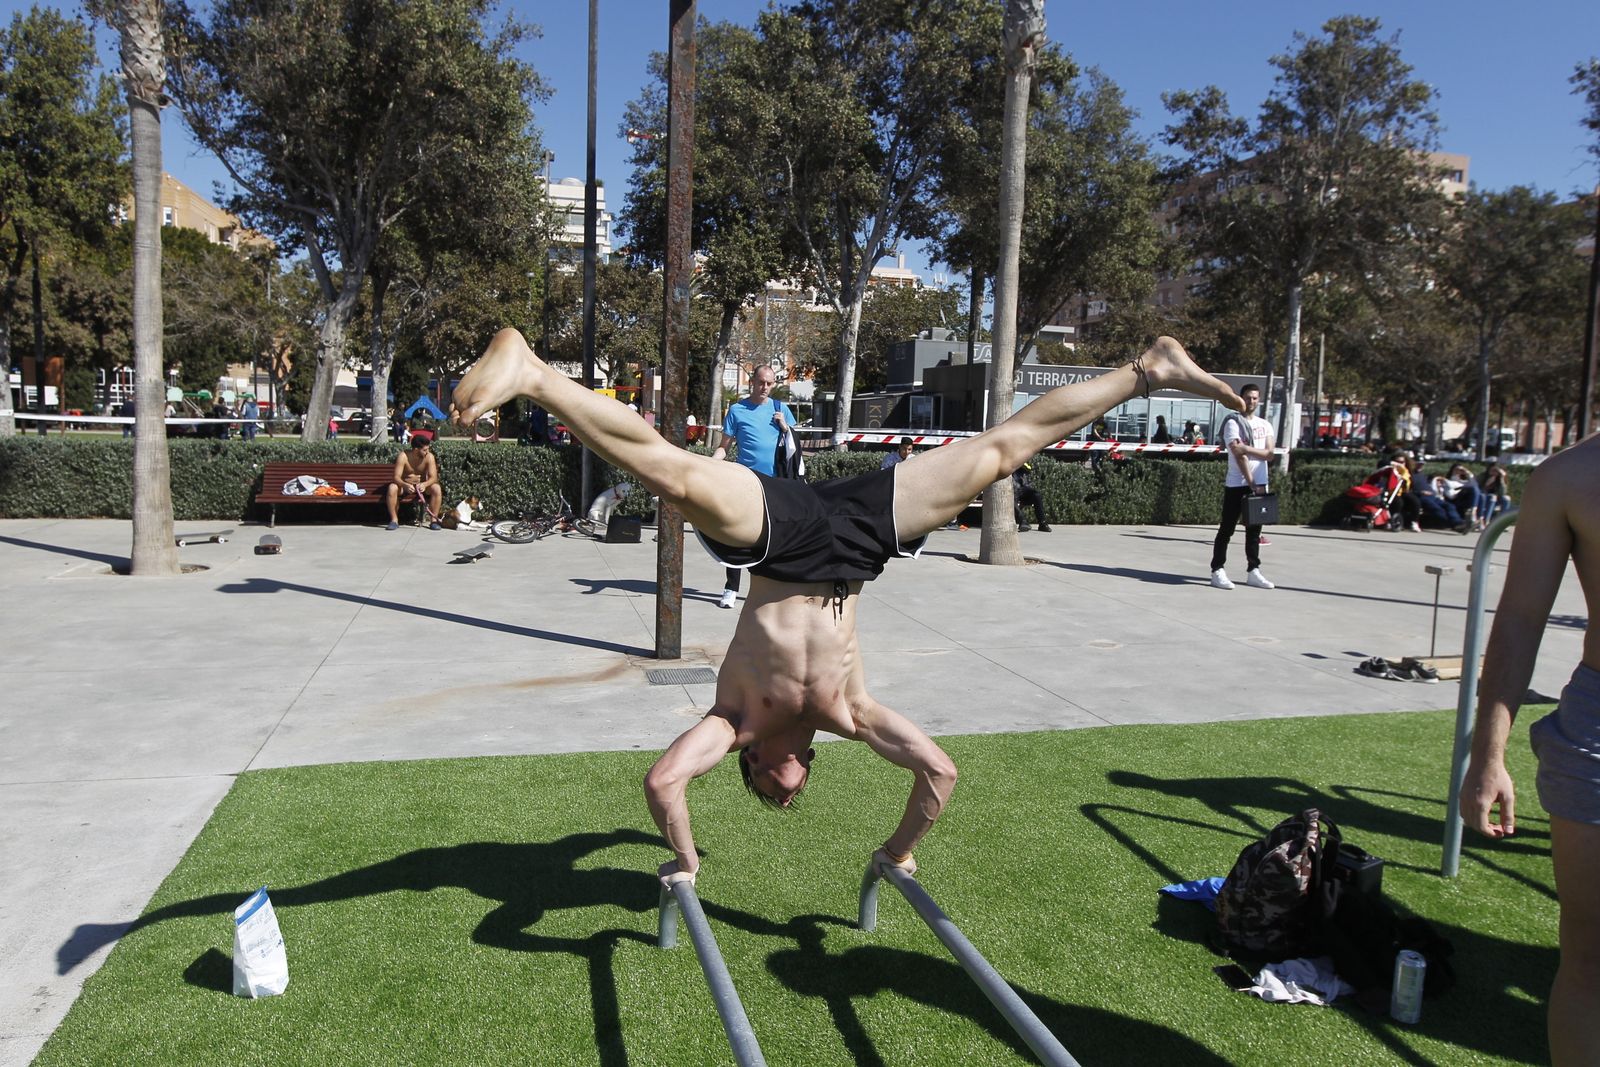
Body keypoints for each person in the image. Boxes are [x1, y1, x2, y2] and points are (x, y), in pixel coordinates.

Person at [449, 328, 1245, 883]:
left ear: (757, 766)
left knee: (674, 474)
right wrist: (898, 848)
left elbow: (663, 785)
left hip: (779, 545)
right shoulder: (850, 715)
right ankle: (1150, 368)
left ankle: (534, 373)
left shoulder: (734, 723)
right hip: (860, 547)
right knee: (1006, 448)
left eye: (772, 792)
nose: (791, 791)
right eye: (793, 793)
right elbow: (940, 772)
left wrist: (687, 858)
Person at [1459, 433, 1600, 1066]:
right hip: (1597, 734)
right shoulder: (1569, 476)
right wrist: (1489, 755)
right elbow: (1518, 620)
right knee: (1592, 958)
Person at [710, 365, 797, 609]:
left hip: (775, 484)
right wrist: (709, 465)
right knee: (735, 536)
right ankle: (730, 588)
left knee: (772, 538)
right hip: (745, 482)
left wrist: (785, 427)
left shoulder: (781, 409)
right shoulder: (737, 410)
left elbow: (795, 446)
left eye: (769, 383)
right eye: (761, 382)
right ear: (752, 382)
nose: (765, 388)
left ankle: (767, 589)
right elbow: (724, 446)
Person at [1209, 382, 1275, 590]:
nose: (1251, 401)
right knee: (1226, 529)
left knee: (1254, 531)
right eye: (1248, 397)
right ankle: (1217, 570)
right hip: (1238, 483)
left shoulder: (1265, 425)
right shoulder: (1232, 423)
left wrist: (1246, 447)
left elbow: (1269, 454)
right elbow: (1239, 456)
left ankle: (1253, 570)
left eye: (1255, 398)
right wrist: (1251, 481)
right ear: (1241, 398)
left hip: (1260, 483)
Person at [385, 428, 442, 530]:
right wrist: (405, 485)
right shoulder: (403, 456)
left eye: (428, 449)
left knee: (436, 488)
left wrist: (425, 484)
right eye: (425, 450)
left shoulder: (429, 457)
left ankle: (433, 520)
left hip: (422, 487)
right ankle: (394, 520)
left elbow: (434, 478)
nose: (427, 452)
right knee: (392, 488)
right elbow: (396, 477)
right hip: (405, 486)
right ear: (416, 449)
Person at [1013, 463, 1049, 532]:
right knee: (1010, 498)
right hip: (1011, 491)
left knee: (1036, 495)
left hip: (1022, 488)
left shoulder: (1021, 462)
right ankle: (1023, 521)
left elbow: (1028, 468)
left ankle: (1042, 523)